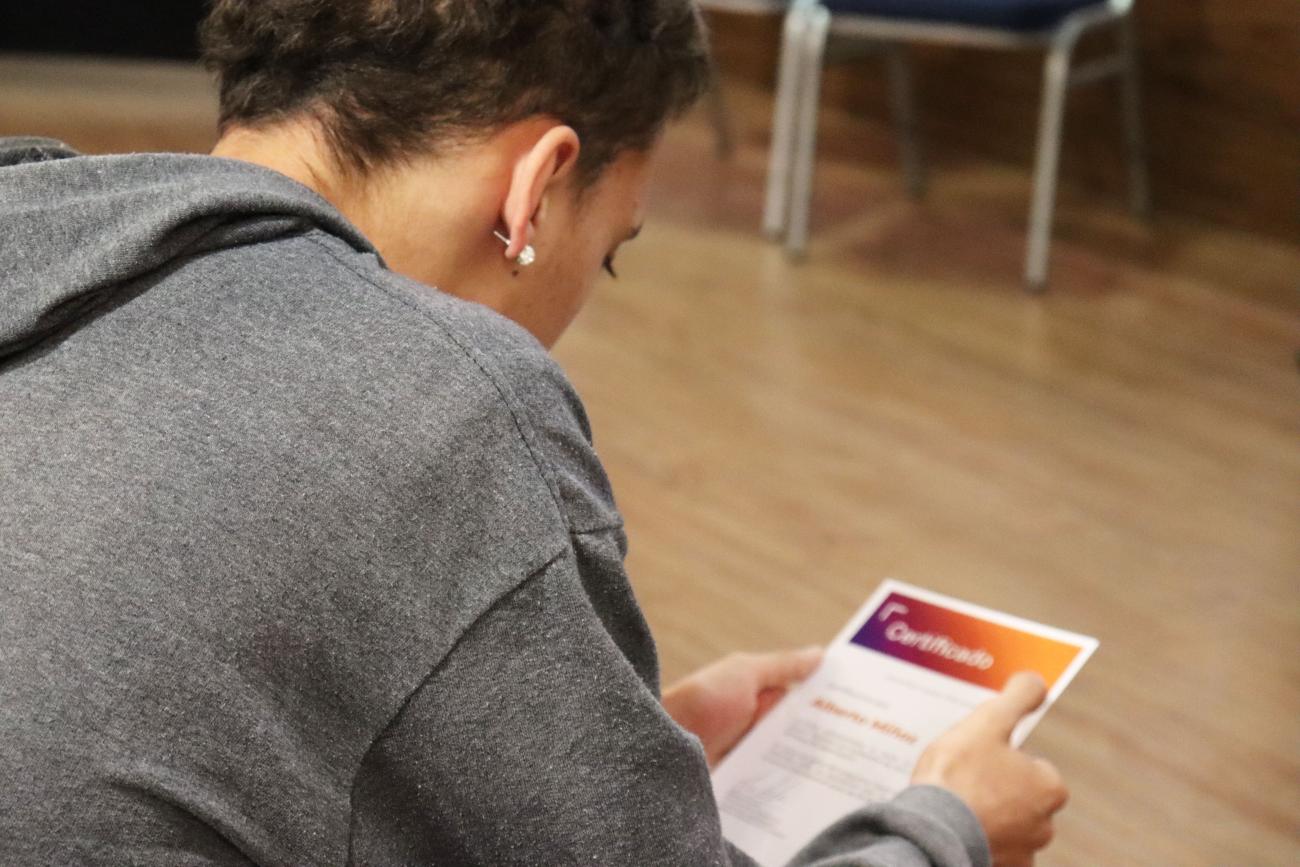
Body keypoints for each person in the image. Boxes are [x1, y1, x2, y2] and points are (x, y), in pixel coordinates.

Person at [0, 1, 1067, 864]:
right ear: (537, 187)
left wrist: (590, 755)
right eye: (609, 250)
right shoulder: (445, 394)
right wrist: (946, 830)